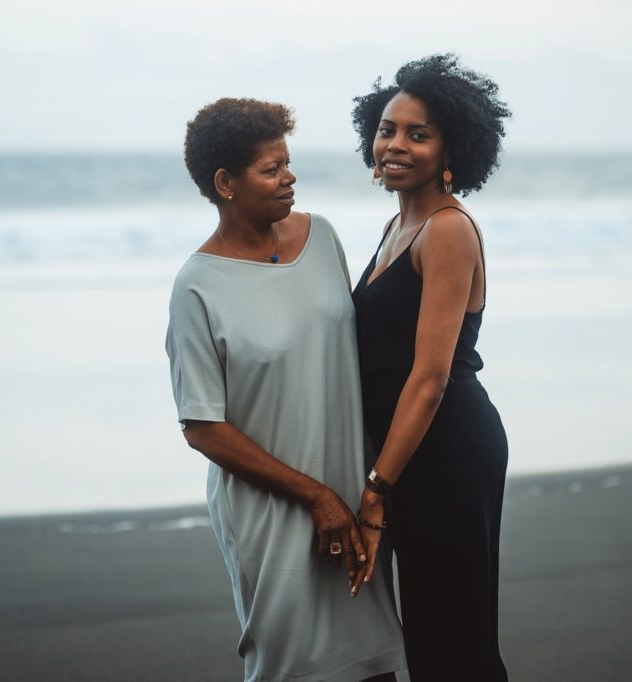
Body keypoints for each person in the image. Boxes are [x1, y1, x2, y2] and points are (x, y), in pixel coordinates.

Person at [165, 97, 407, 682]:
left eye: (287, 162)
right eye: (271, 169)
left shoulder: (321, 237)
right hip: (271, 512)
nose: (289, 176)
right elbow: (202, 426)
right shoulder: (197, 287)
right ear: (225, 183)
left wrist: (365, 486)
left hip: (353, 494)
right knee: (293, 667)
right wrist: (313, 497)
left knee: (374, 664)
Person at [347, 55, 513, 680]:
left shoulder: (446, 229)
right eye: (387, 128)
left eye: (419, 134)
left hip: (443, 448)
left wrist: (375, 488)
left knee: (453, 640)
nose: (395, 144)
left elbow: (429, 376)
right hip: (406, 450)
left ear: (453, 148)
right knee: (424, 634)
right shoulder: (399, 221)